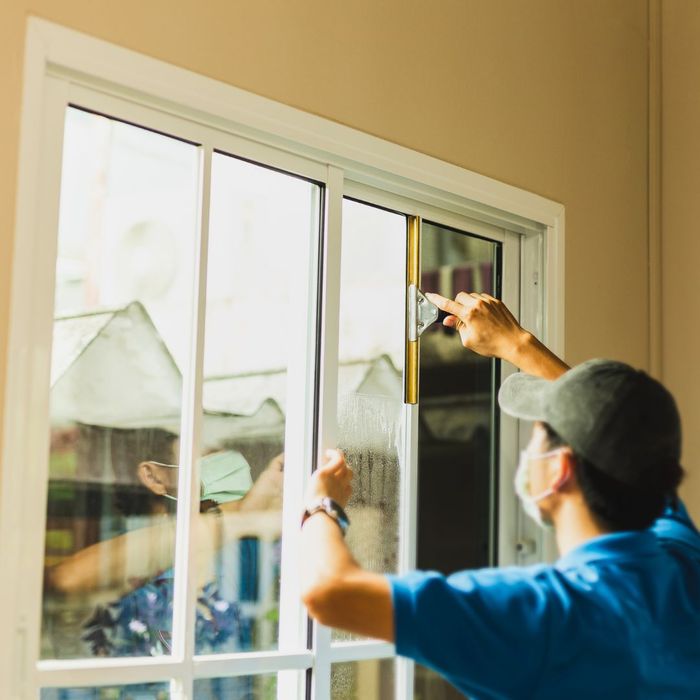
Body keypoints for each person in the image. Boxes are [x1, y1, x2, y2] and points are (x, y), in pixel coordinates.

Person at [299, 291, 700, 699]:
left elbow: (330, 593)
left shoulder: (539, 615)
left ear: (560, 469)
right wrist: (515, 344)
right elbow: (628, 444)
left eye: (537, 434)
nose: (528, 449)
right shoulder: (684, 565)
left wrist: (322, 504)